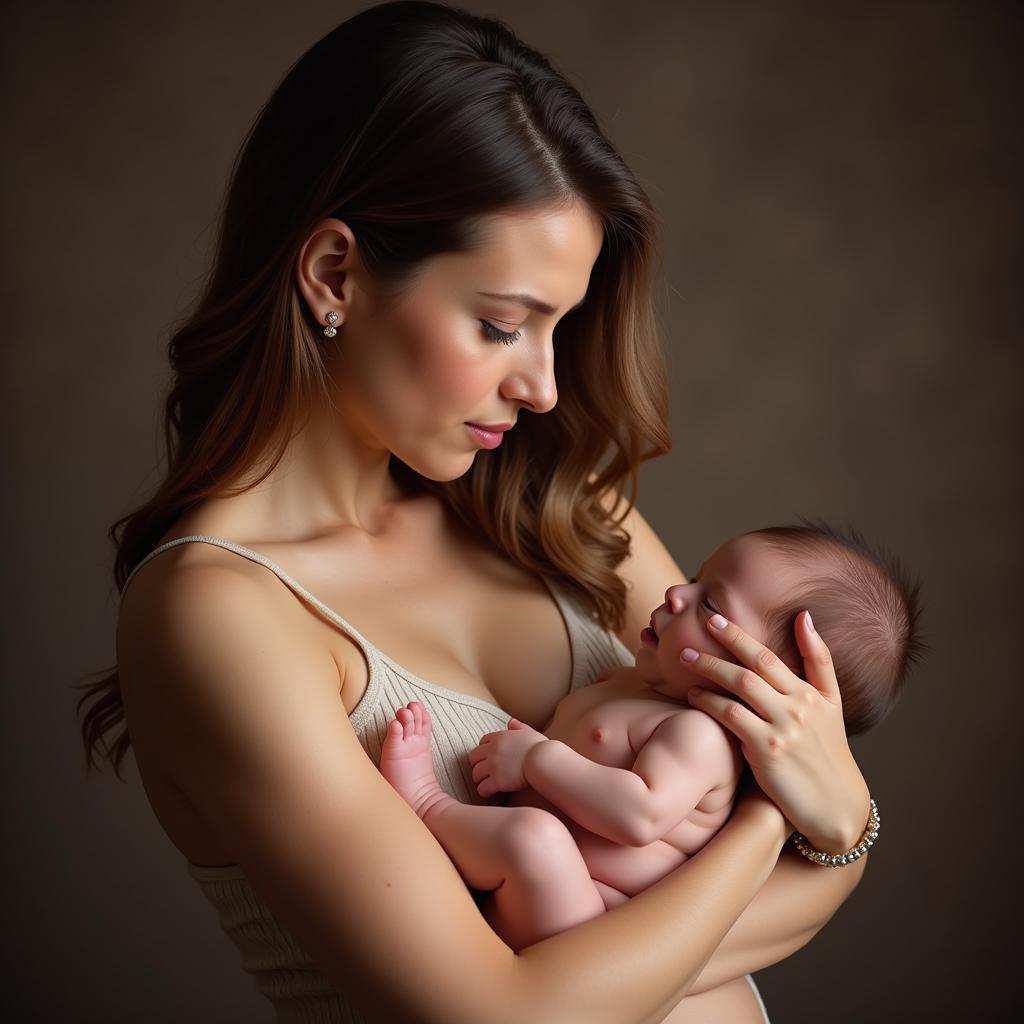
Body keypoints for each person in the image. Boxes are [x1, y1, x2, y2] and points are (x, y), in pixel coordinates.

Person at [79, 3, 881, 1021]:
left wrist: (835, 827)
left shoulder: (559, 502)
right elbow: (507, 1015)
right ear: (334, 275)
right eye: (502, 324)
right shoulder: (223, 614)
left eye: (560, 327)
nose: (543, 387)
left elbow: (826, 831)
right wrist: (784, 823)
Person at [380, 522, 921, 951]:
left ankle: (427, 804)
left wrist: (536, 760)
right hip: (535, 900)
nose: (677, 592)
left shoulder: (700, 737)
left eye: (711, 604)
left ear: (765, 685)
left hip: (588, 919)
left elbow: (639, 815)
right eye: (696, 576)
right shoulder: (637, 686)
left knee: (536, 842)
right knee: (531, 841)